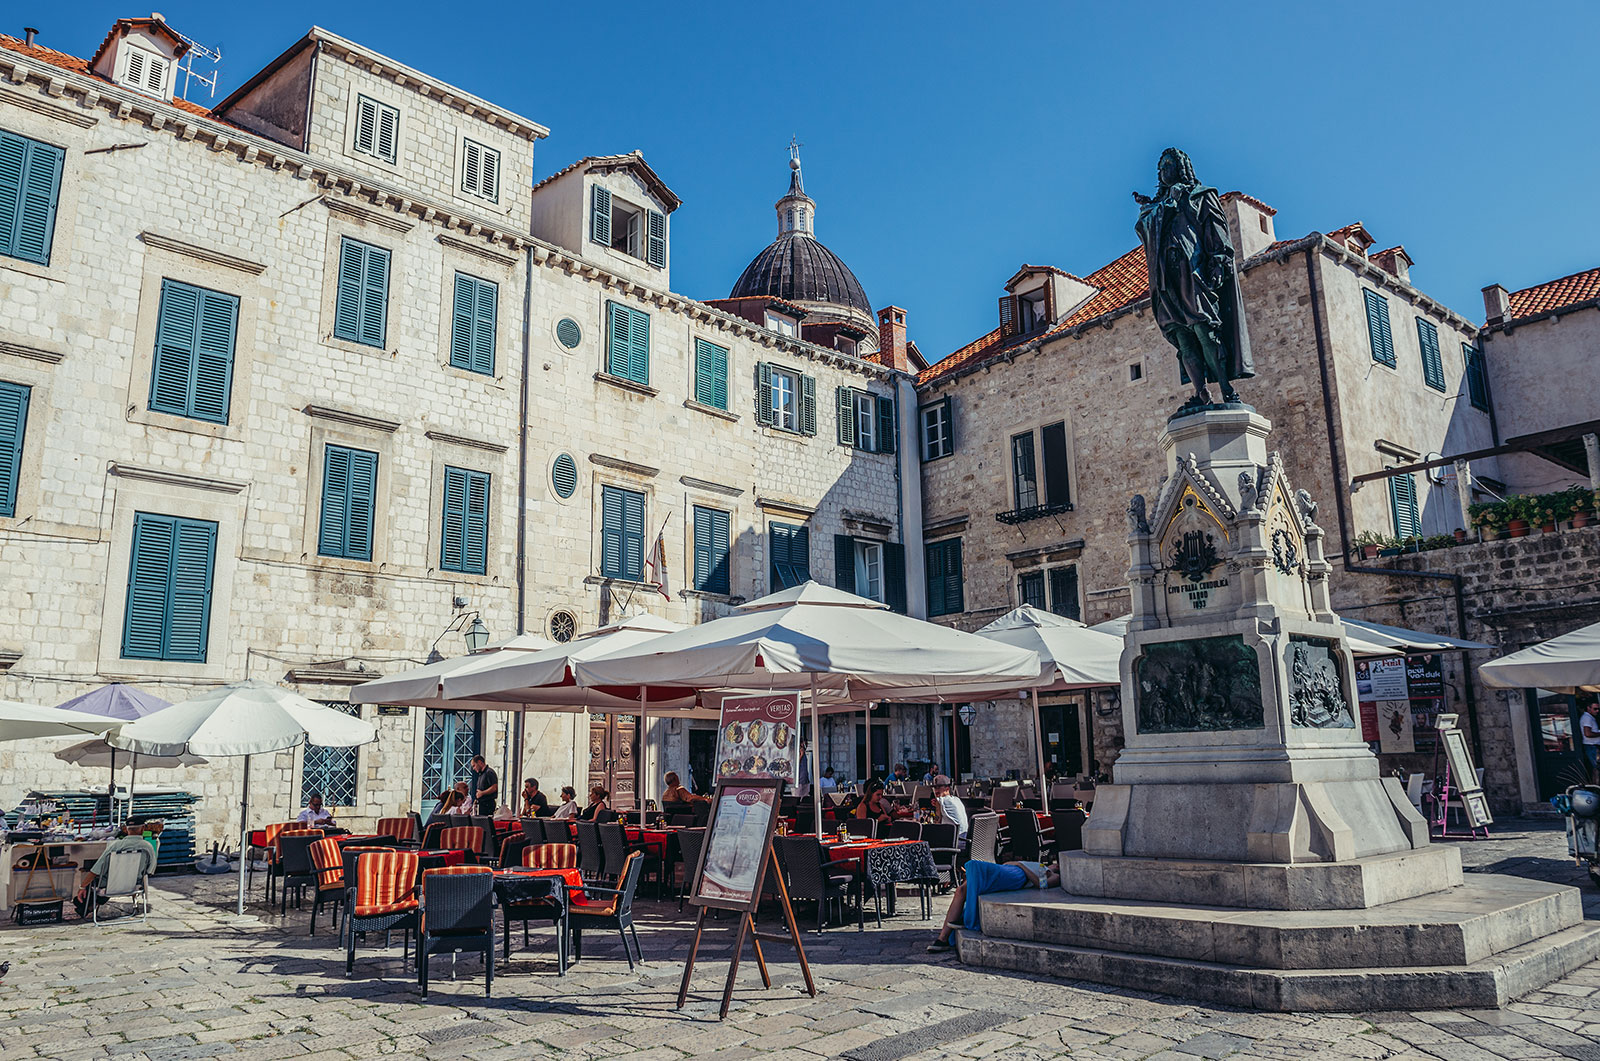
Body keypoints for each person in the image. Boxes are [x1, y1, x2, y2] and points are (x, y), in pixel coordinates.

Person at [926, 859, 1058, 953]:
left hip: (1018, 876)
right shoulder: (1039, 864)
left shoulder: (1053, 874)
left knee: (973, 866)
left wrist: (1021, 866)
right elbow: (1006, 864)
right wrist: (1017, 864)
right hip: (1008, 869)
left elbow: (1042, 884)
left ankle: (968, 917)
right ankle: (942, 939)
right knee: (960, 890)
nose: (1056, 865)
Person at [72, 819, 160, 917]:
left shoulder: (115, 845)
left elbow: (96, 870)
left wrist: (82, 887)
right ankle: (88, 906)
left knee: (94, 882)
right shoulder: (148, 847)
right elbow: (150, 870)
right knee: (103, 882)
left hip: (110, 887)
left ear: (126, 829)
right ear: (143, 828)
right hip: (134, 886)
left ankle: (86, 905)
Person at [930, 775, 968, 841]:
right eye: (934, 788)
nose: (936, 790)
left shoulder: (942, 801)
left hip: (956, 840)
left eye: (939, 787)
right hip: (965, 838)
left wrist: (937, 806)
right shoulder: (957, 799)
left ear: (947, 788)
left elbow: (937, 823)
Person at [1582, 701, 1600, 778]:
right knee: (1597, 768)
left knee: (1596, 768)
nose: (1597, 711)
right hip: (1592, 746)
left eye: (1598, 709)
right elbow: (1588, 733)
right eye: (1595, 709)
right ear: (1588, 708)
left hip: (1593, 746)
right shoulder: (1587, 718)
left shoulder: (1590, 717)